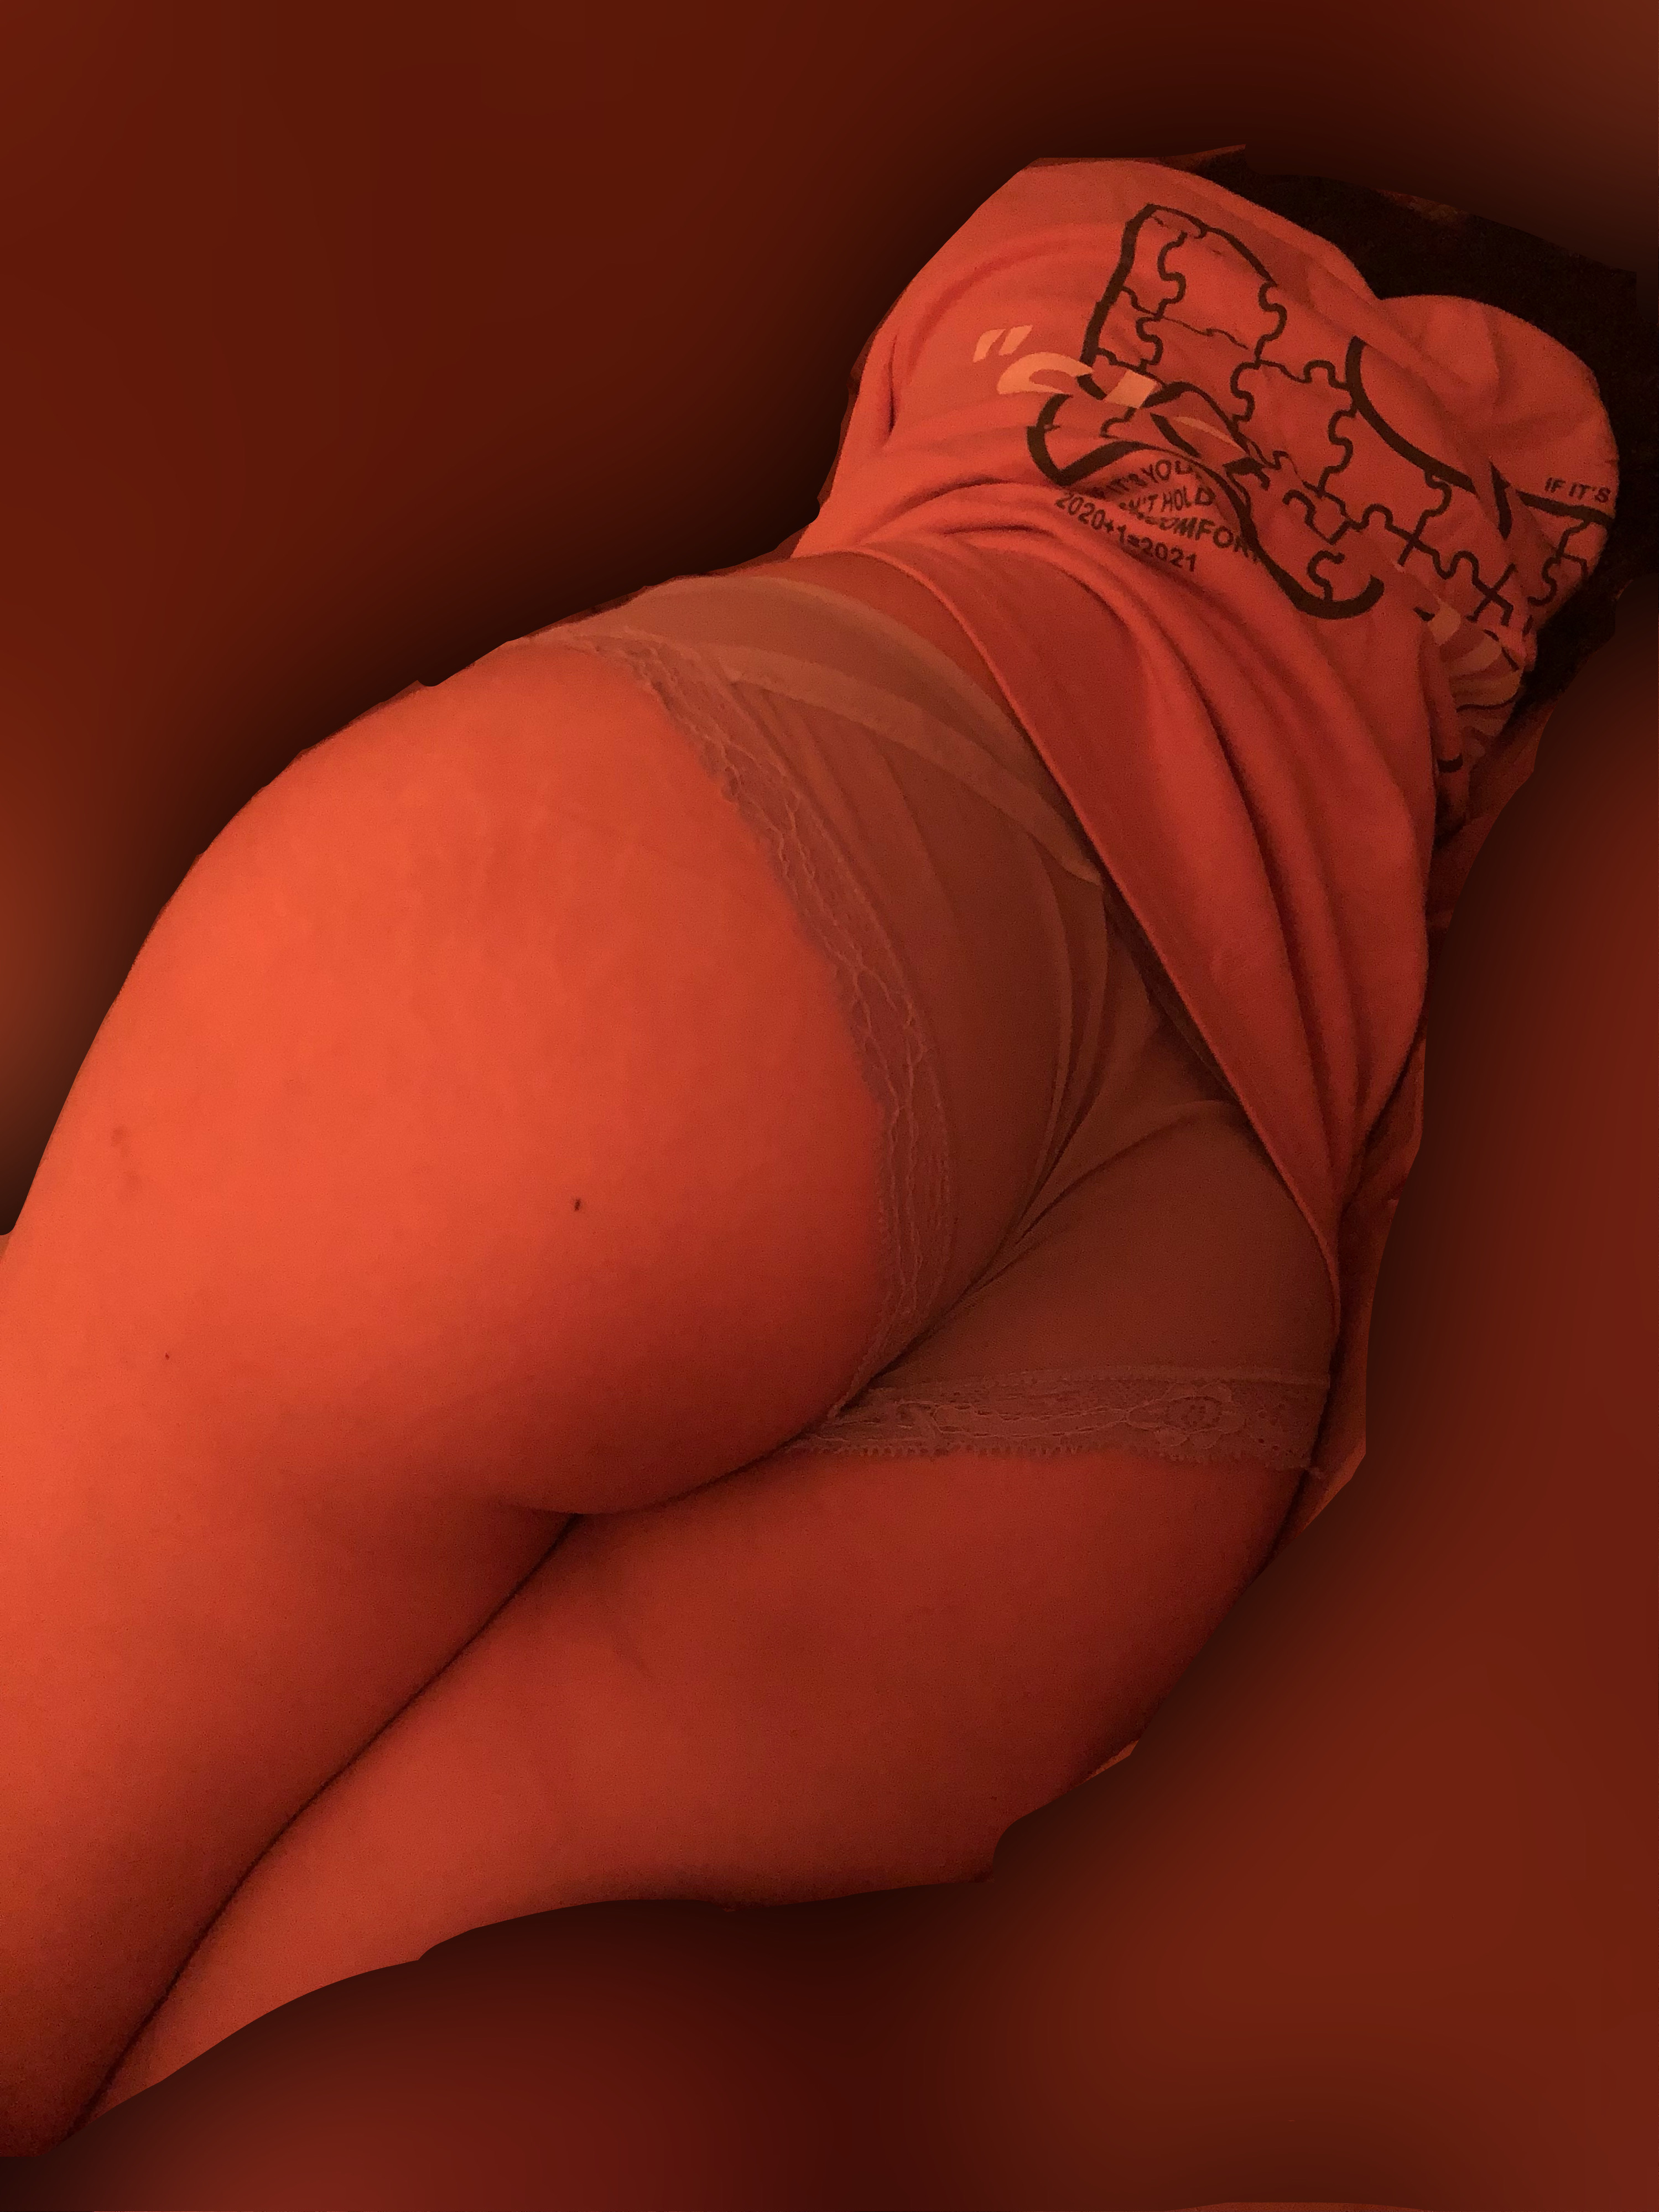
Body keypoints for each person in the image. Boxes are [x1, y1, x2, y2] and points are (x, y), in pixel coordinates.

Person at [0, 147, 1648, 2154]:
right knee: (264, 2142)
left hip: (782, 862)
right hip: (1191, 1285)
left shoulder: (1098, 202)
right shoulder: (1598, 505)